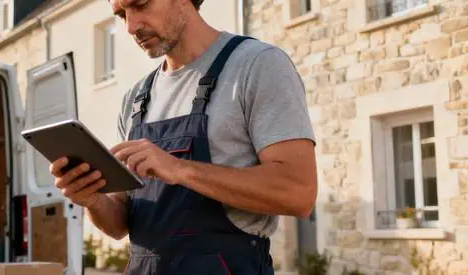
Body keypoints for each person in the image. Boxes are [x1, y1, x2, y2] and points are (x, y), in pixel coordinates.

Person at [49, 0, 318, 274]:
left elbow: (299, 193)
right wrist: (92, 200)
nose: (131, 27)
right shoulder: (134, 99)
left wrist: (179, 169)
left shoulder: (256, 65)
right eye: (121, 15)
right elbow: (119, 224)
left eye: (141, 5)